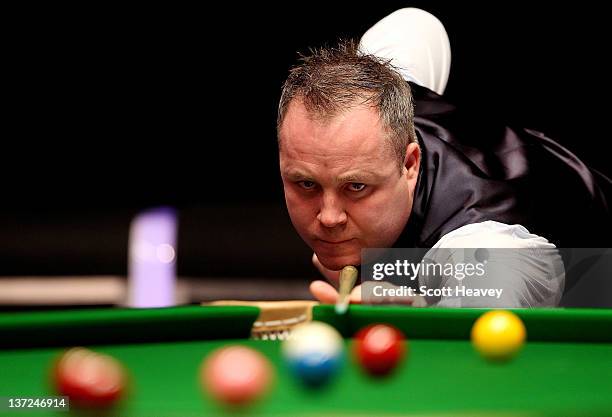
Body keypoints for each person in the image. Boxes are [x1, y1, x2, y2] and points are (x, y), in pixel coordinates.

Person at [277, 8, 611, 307]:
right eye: (306, 183)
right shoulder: (386, 88)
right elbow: (415, 26)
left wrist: (420, 316)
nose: (329, 217)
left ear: (409, 164)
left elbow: (487, 299)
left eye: (356, 186)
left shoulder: (482, 242)